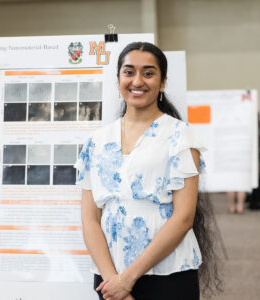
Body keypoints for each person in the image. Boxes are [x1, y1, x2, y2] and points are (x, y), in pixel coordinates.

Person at [76, 42, 222, 300]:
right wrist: (113, 280)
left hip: (168, 274)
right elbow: (90, 219)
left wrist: (128, 280)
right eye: (129, 71)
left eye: (148, 73)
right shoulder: (95, 141)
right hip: (109, 277)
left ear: (162, 82)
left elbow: (184, 217)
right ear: (118, 78)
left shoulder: (181, 136)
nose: (137, 81)